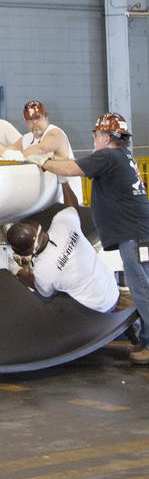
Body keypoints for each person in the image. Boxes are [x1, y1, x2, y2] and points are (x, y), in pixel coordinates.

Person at [35, 112, 149, 366]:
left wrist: (43, 161)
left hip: (134, 236)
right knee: (144, 287)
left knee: (142, 290)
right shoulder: (123, 156)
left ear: (106, 137)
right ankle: (145, 340)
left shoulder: (108, 156)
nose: (94, 140)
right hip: (140, 233)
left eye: (96, 135)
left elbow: (72, 168)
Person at [6, 181, 119, 313]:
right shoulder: (62, 222)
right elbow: (73, 208)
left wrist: (18, 270)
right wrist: (64, 182)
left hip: (97, 311)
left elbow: (44, 293)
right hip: (112, 291)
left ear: (24, 253)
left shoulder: (42, 269)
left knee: (39, 297)